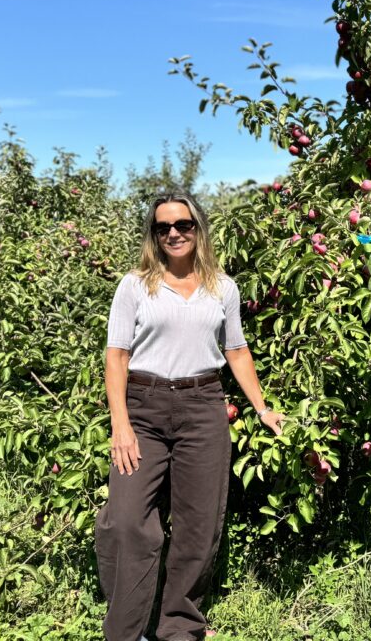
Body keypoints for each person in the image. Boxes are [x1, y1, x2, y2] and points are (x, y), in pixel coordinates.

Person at [94, 191, 284, 641]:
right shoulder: (135, 285)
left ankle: (178, 628)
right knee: (125, 520)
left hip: (203, 407)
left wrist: (261, 407)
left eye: (183, 225)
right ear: (153, 236)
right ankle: (127, 629)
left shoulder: (222, 286)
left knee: (199, 525)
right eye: (163, 228)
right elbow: (116, 356)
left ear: (198, 229)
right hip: (144, 407)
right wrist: (120, 424)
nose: (174, 234)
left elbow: (236, 350)